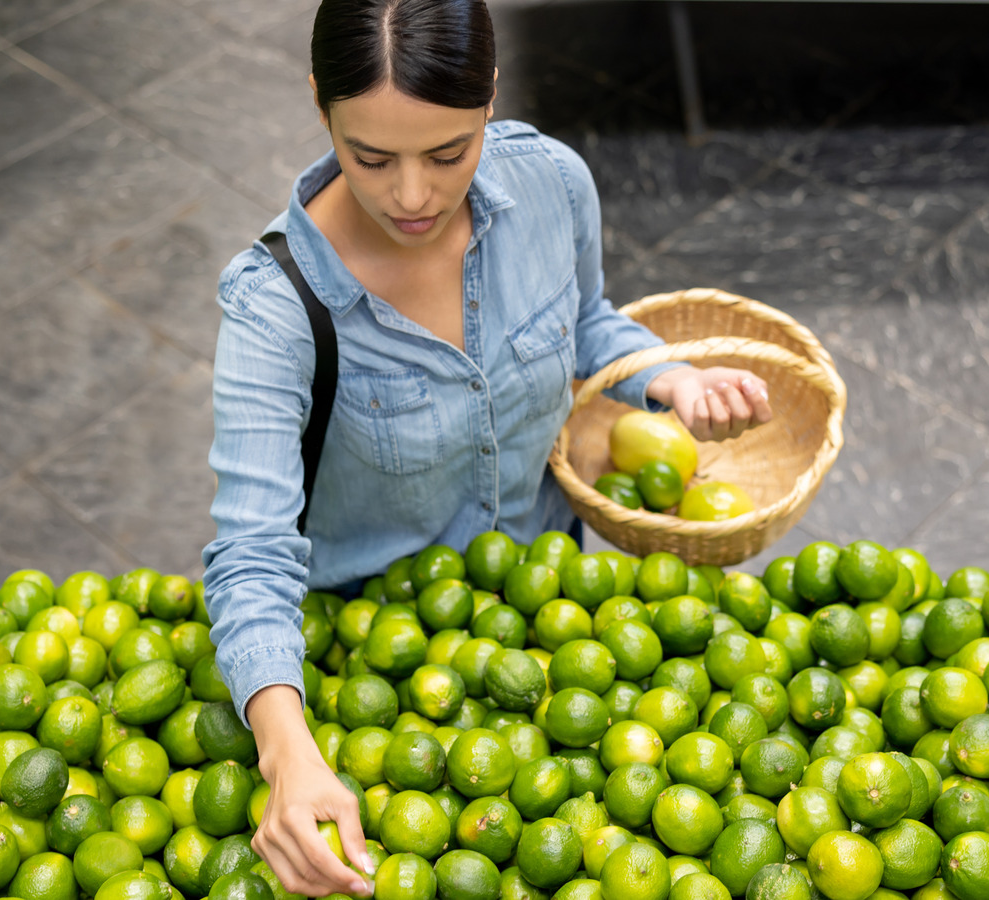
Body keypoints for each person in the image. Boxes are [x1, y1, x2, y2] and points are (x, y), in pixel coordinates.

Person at [201, 0, 775, 895]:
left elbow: (585, 320)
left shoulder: (551, 183)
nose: (413, 196)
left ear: (490, 99)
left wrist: (663, 377)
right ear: (321, 105)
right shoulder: (275, 309)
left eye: (448, 153)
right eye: (371, 158)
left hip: (553, 599)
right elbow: (250, 555)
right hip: (381, 645)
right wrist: (287, 754)